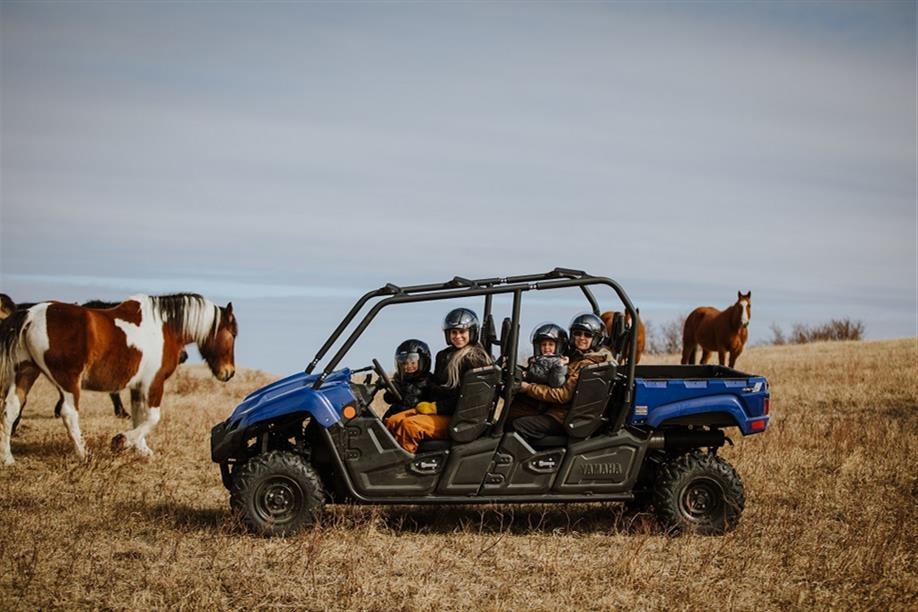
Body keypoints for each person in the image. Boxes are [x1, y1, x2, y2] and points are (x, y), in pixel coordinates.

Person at [387, 307, 492, 453]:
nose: (457, 336)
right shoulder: (444, 356)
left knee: (409, 426)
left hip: (458, 419)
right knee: (392, 421)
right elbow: (435, 386)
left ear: (472, 332)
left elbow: (470, 400)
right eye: (453, 332)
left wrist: (435, 407)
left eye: (462, 332)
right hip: (440, 411)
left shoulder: (475, 360)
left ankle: (401, 469)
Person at [508, 312, 614, 443]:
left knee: (518, 425)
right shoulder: (576, 356)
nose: (581, 338)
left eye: (587, 335)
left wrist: (528, 388)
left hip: (562, 417)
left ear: (596, 339)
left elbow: (562, 395)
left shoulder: (587, 364)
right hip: (556, 410)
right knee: (513, 413)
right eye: (577, 333)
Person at [381, 339, 434, 422]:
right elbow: (388, 399)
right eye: (404, 363)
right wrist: (390, 388)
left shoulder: (429, 381)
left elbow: (413, 402)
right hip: (396, 414)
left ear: (423, 362)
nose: (408, 366)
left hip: (414, 417)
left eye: (413, 363)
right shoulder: (400, 380)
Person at [523, 323, 569, 388]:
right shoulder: (535, 361)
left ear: (558, 347)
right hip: (534, 392)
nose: (547, 347)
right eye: (544, 345)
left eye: (551, 344)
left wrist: (560, 366)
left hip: (545, 394)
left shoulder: (559, 363)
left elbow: (556, 382)